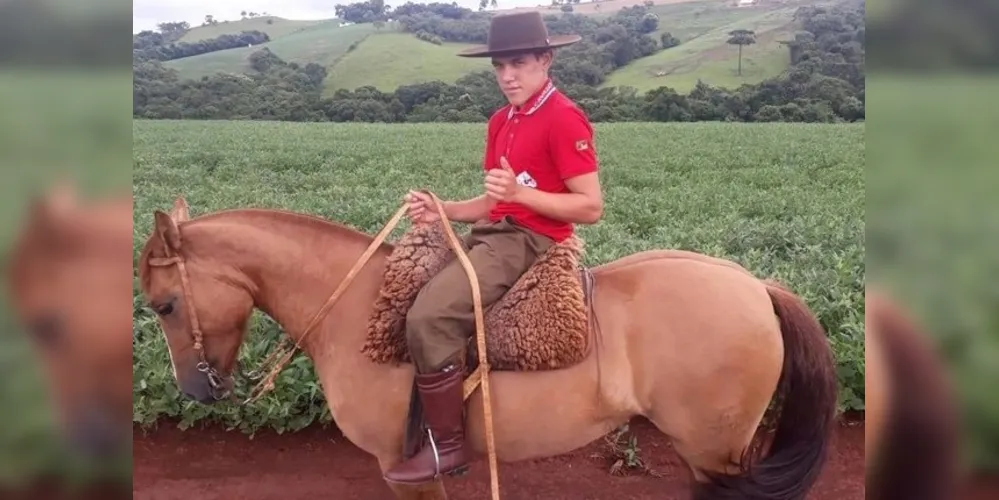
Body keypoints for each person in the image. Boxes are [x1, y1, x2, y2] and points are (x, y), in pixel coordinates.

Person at [382, 10, 604, 485]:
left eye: (519, 63)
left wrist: (521, 197)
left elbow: (589, 207)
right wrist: (443, 209)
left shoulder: (563, 118)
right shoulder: (502, 120)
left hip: (532, 240)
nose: (507, 76)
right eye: (499, 66)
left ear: (545, 59)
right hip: (498, 233)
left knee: (431, 316)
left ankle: (448, 447)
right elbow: (493, 202)